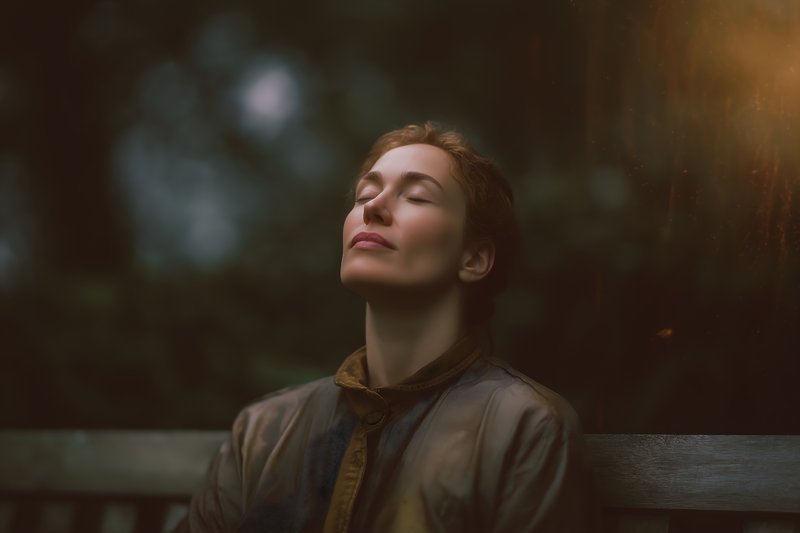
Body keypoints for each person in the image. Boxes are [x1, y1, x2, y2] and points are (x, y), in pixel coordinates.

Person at [175, 122, 591, 532]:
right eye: (365, 194)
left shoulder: (525, 425)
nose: (372, 207)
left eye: (417, 196)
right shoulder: (262, 430)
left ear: (474, 258)